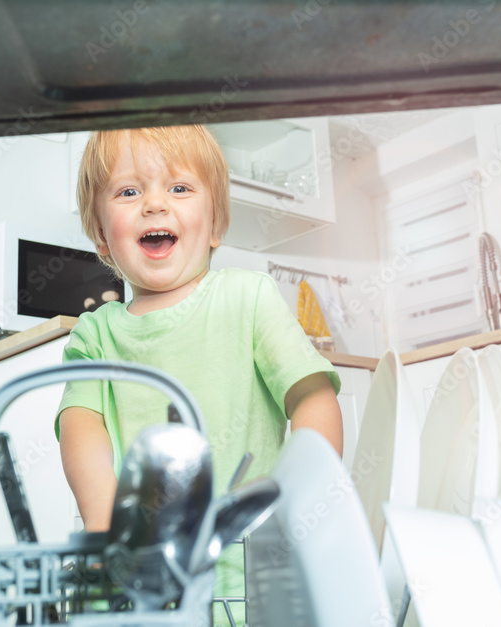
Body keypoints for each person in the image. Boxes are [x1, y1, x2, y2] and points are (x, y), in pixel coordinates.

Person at [54, 124, 343, 621]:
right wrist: (108, 537)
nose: (154, 204)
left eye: (179, 187)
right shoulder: (94, 333)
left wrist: (302, 502)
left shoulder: (247, 298)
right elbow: (82, 428)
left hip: (251, 577)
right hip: (145, 588)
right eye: (128, 191)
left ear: (214, 225)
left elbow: (311, 396)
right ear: (102, 234)